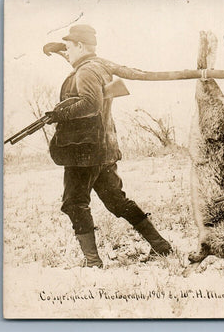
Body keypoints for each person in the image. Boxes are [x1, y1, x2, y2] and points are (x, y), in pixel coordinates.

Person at [45, 24, 173, 268]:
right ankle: (162, 247)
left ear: (80, 46)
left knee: (74, 203)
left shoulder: (85, 72)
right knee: (118, 202)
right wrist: (61, 48)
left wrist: (59, 115)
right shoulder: (97, 66)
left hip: (84, 153)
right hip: (102, 151)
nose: (67, 53)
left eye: (69, 48)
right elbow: (82, 63)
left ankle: (92, 262)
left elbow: (90, 105)